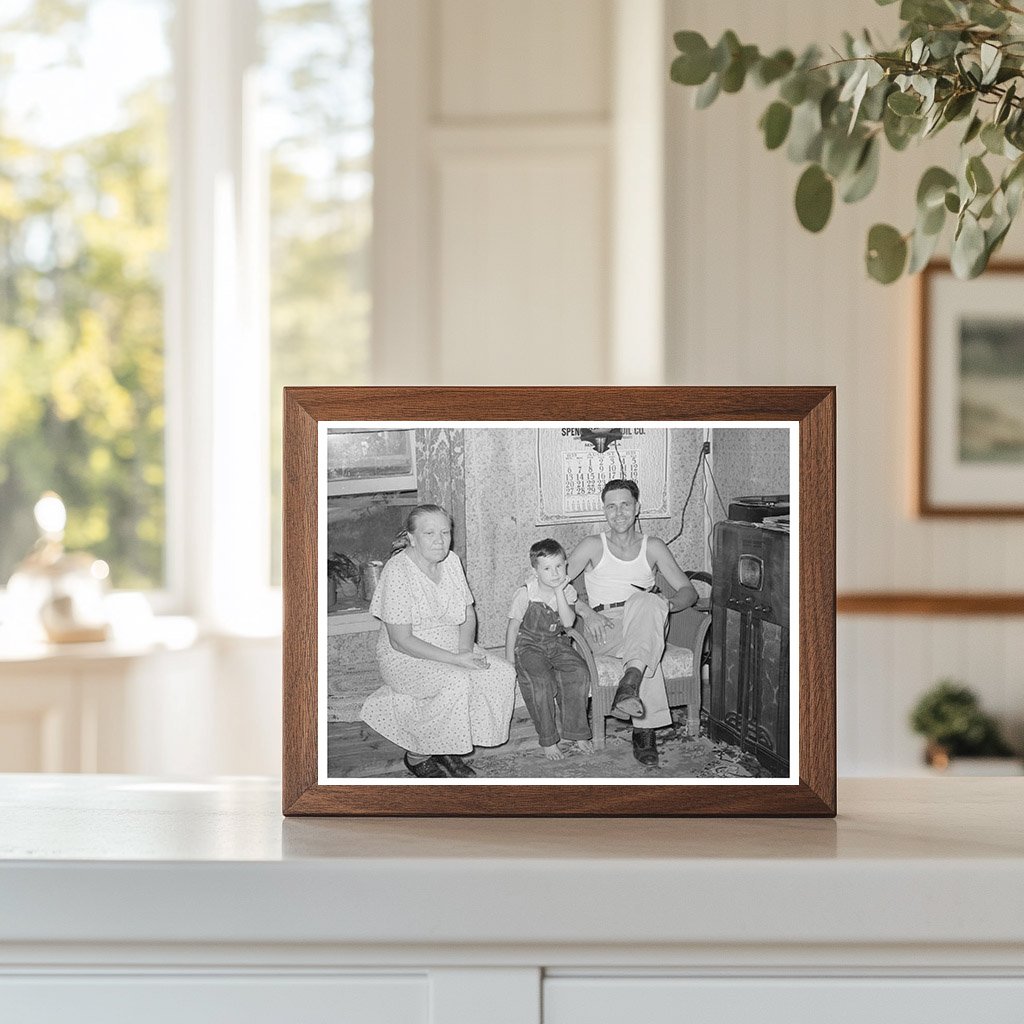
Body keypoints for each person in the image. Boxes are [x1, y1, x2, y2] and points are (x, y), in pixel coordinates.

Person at [361, 504, 517, 779]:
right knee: (456, 680)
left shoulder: (452, 561)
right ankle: (418, 756)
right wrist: (457, 661)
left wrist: (465, 651)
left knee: (502, 674)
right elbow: (400, 641)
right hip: (406, 656)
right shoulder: (398, 571)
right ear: (411, 537)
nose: (439, 540)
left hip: (452, 644)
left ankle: (448, 746)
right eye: (429, 533)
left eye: (445, 532)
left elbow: (468, 614)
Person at [566, 479, 698, 768]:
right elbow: (555, 584)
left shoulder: (653, 546)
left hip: (646, 618)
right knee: (648, 642)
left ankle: (630, 684)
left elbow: (688, 591)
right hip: (605, 627)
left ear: (637, 508)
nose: (619, 512)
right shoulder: (592, 545)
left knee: (646, 602)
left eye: (625, 504)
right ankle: (644, 730)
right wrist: (587, 613)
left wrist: (667, 605)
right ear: (604, 511)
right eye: (611, 506)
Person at [506, 539, 594, 761]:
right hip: (529, 645)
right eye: (547, 568)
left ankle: (577, 732)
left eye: (559, 566)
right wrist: (509, 661)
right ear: (535, 570)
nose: (554, 573)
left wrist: (559, 592)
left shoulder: (569, 591)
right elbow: (513, 627)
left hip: (556, 642)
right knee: (541, 681)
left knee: (578, 672)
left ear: (566, 564)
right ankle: (547, 738)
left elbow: (567, 623)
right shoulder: (525, 593)